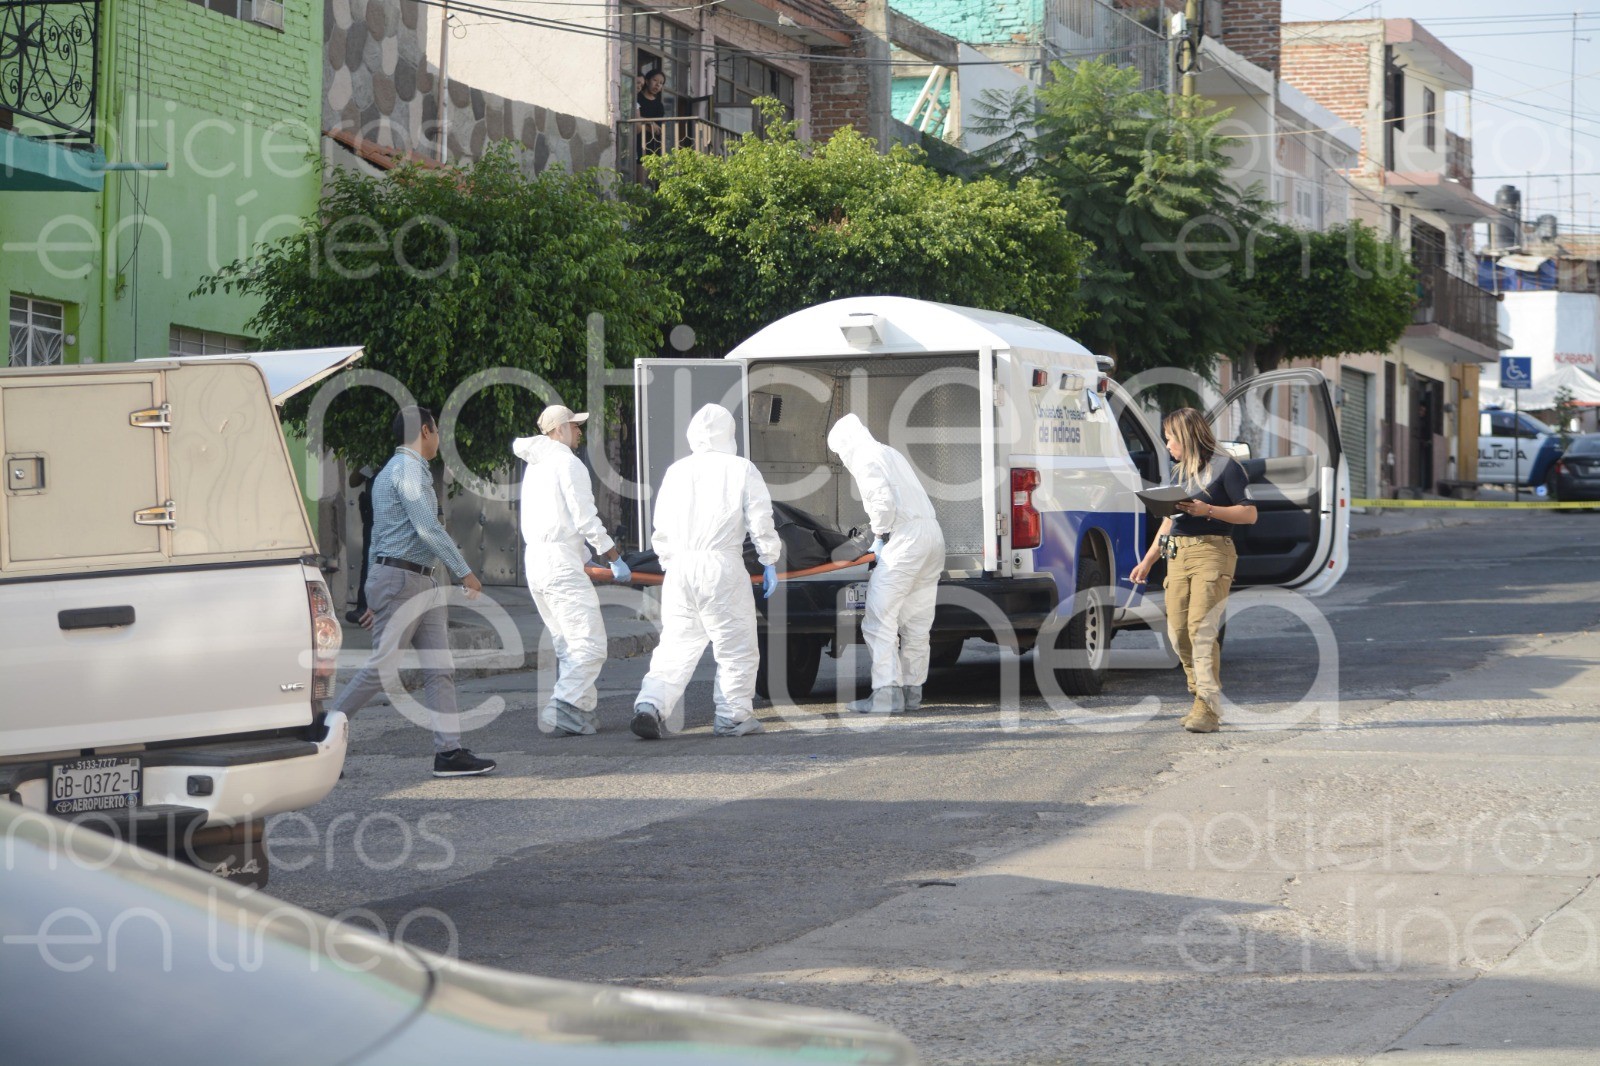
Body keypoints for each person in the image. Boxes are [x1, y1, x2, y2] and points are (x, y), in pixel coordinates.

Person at [328, 406, 497, 777]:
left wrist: (371, 592)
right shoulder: (406, 470)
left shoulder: (399, 470)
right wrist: (465, 572)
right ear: (425, 430)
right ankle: (323, 737)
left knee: (441, 668)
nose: (438, 439)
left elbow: (376, 539)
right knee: (383, 668)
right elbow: (427, 529)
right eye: (436, 431)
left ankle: (449, 753)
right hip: (403, 580)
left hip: (419, 580)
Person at [631, 404, 780, 739]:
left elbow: (662, 528)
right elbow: (760, 518)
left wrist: (671, 564)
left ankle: (650, 704)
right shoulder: (741, 468)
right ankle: (732, 715)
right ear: (728, 434)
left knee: (676, 645)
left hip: (680, 568)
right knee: (735, 645)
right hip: (720, 567)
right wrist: (769, 559)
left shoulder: (676, 471)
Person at [1128, 408, 1257, 734]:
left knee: (1201, 629)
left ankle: (1207, 708)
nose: (1167, 444)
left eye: (1171, 438)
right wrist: (1147, 561)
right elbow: (1168, 522)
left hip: (1213, 553)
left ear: (1186, 437)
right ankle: (1200, 695)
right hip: (1178, 555)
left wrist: (1207, 510)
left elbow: (1249, 515)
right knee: (1178, 634)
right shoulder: (1176, 473)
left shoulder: (1227, 467)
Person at [512, 404, 630, 737]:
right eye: (575, 427)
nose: (579, 432)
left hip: (537, 562)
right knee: (591, 644)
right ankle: (562, 705)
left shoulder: (535, 466)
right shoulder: (568, 463)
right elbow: (584, 519)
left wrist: (583, 557)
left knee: (568, 644)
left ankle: (581, 710)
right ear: (560, 429)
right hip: (560, 564)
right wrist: (612, 556)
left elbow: (557, 520)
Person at [826, 413, 946, 715]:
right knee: (916, 622)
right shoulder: (889, 452)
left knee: (879, 619)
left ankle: (885, 694)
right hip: (932, 535)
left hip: (906, 539)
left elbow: (882, 504)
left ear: (846, 446)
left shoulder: (866, 458)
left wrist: (878, 536)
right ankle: (912, 692)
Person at [635, 68, 667, 165]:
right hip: (637, 139)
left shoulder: (659, 105)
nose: (657, 84)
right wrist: (650, 122)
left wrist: (642, 121)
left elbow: (657, 129)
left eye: (661, 83)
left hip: (652, 143)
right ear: (647, 81)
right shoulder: (637, 97)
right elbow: (634, 119)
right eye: (655, 80)